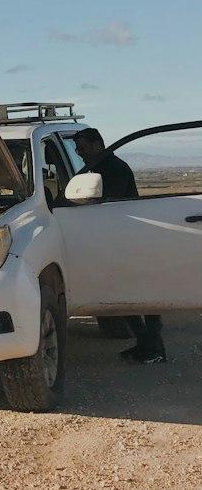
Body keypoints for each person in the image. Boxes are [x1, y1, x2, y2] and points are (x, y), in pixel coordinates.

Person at [71, 128, 167, 364]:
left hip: (125, 239)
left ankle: (153, 345)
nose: (80, 153)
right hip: (117, 238)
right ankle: (146, 344)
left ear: (97, 145)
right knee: (126, 295)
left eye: (83, 148)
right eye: (78, 149)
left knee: (135, 294)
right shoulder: (100, 168)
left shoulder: (112, 169)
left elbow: (108, 203)